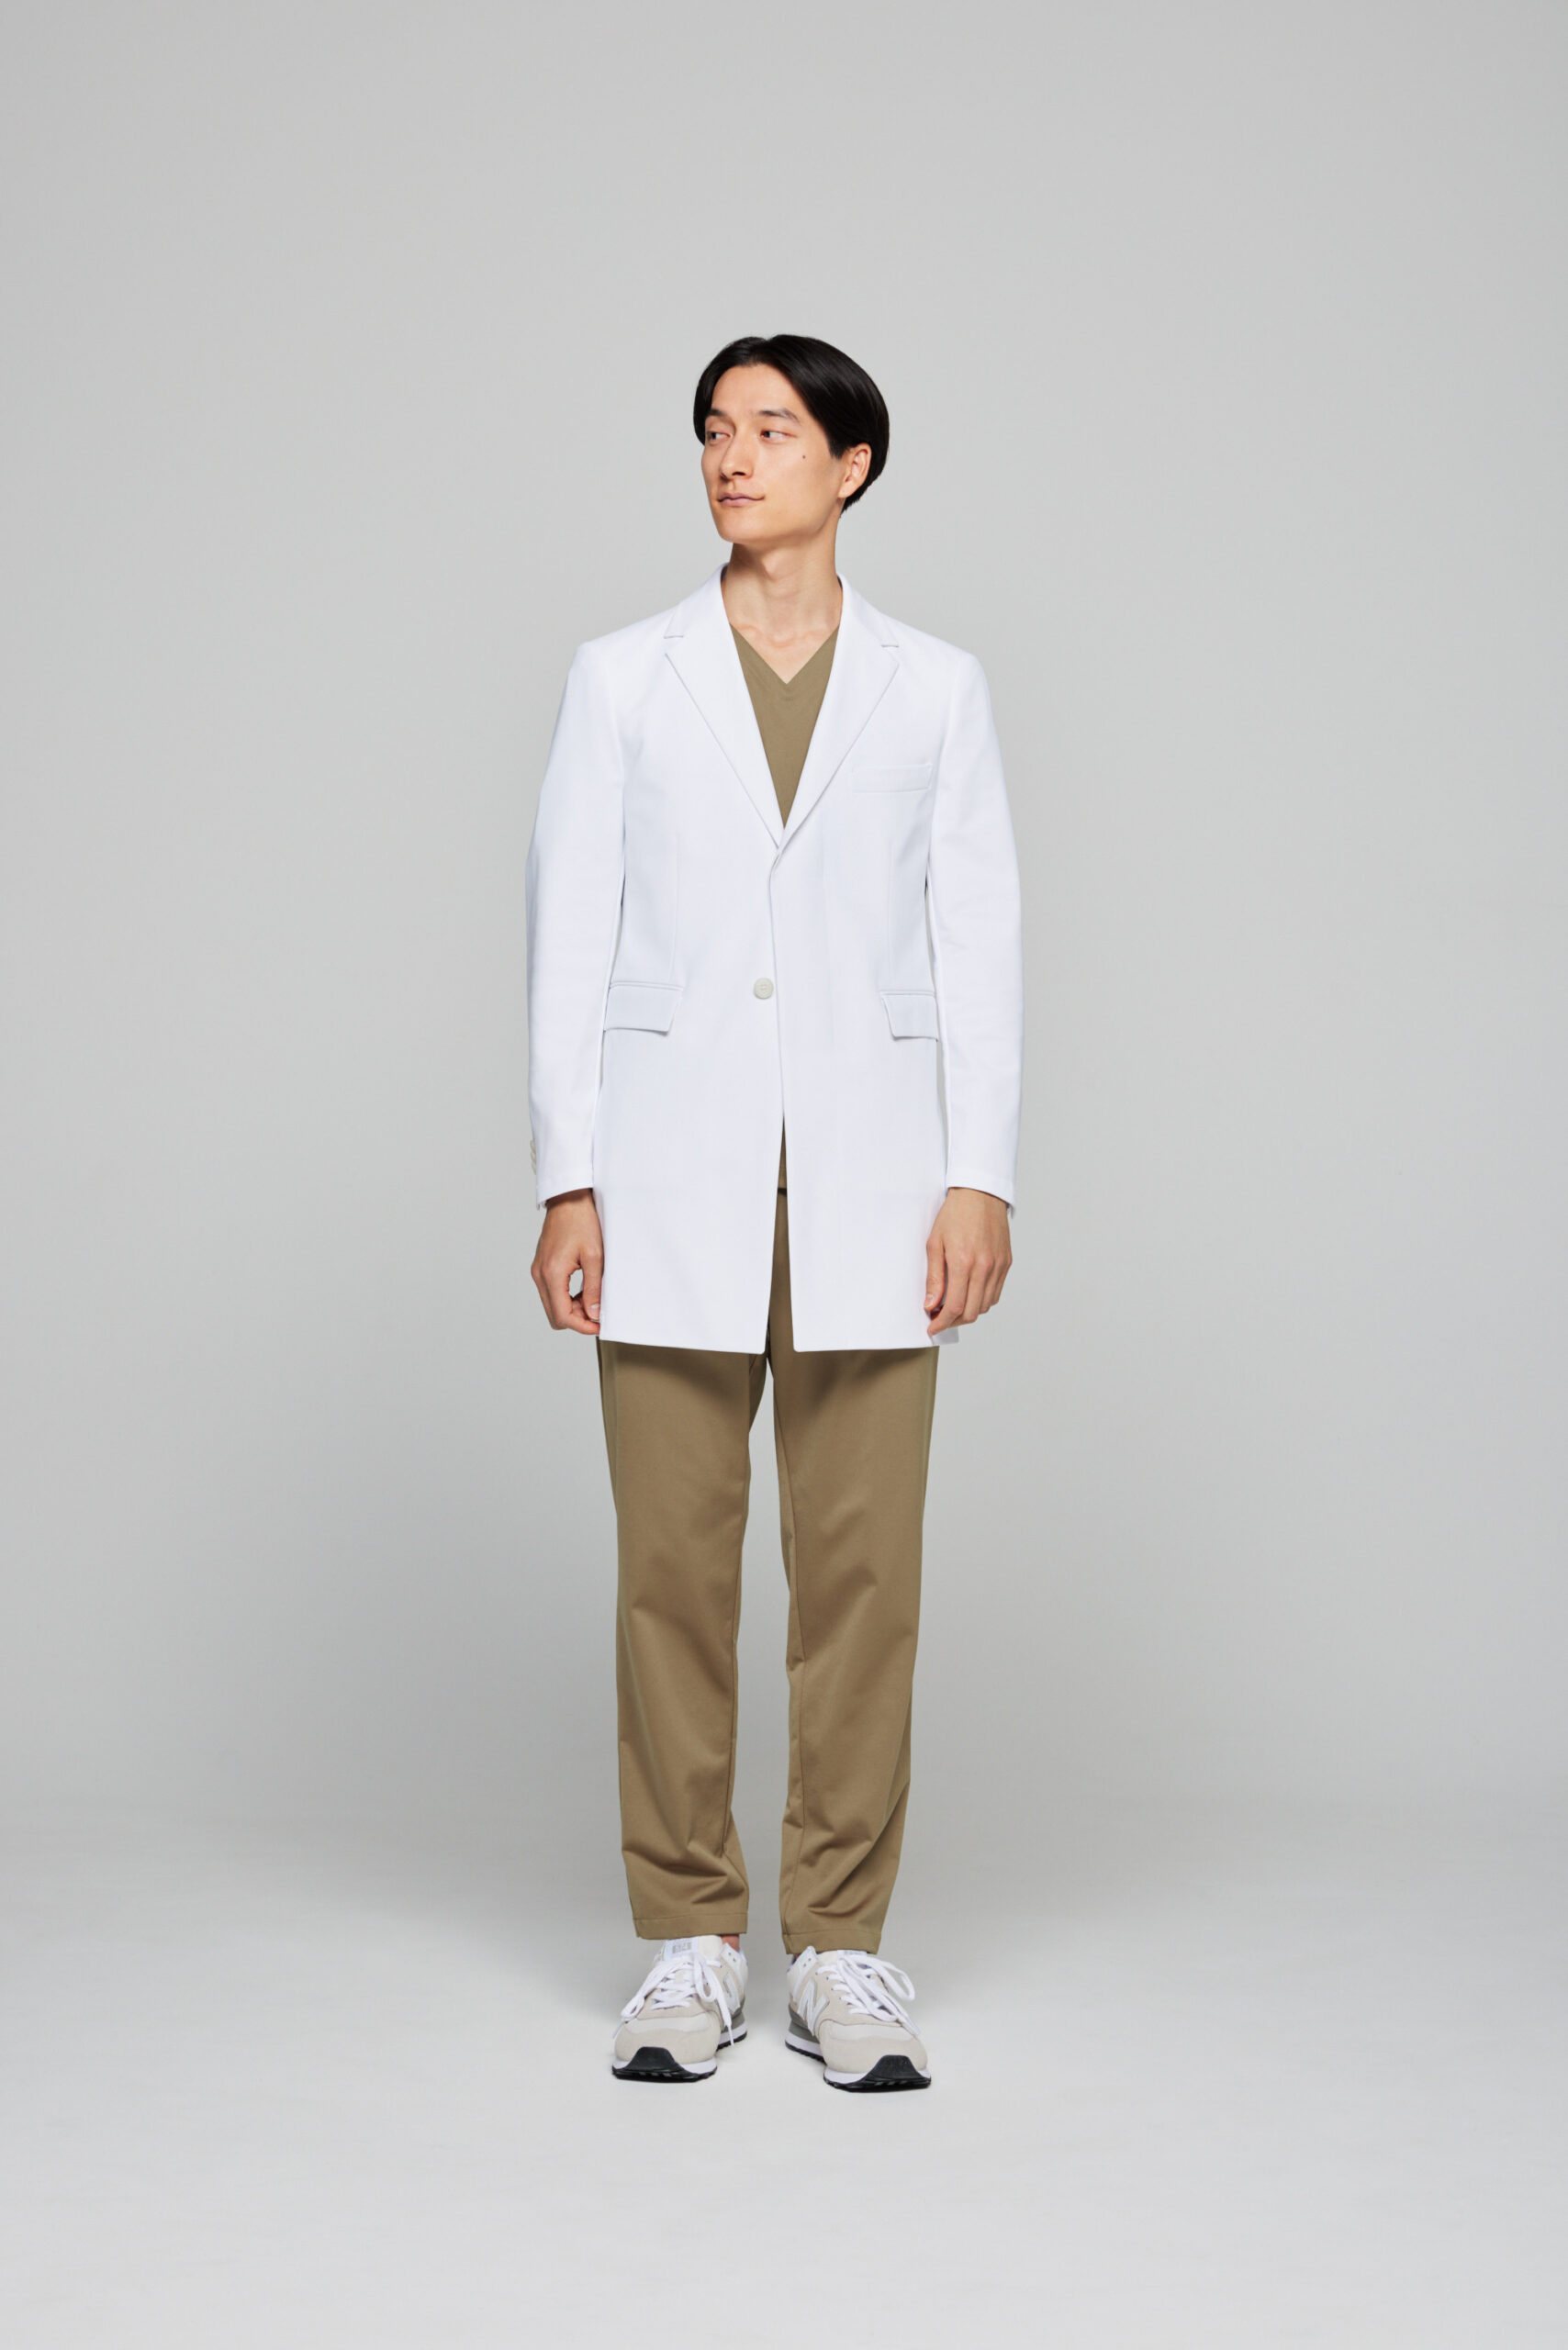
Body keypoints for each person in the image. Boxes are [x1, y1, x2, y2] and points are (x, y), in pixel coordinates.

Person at [525, 333, 1023, 2090]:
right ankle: (687, 1935)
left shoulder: (936, 688)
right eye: (714, 431)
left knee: (862, 1575)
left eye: (773, 431)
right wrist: (566, 1175)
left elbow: (978, 936)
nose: (733, 459)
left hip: (877, 1184)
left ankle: (841, 1946)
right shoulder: (623, 677)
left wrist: (981, 1170)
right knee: (669, 1569)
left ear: (852, 464)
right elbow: (569, 929)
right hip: (667, 1175)